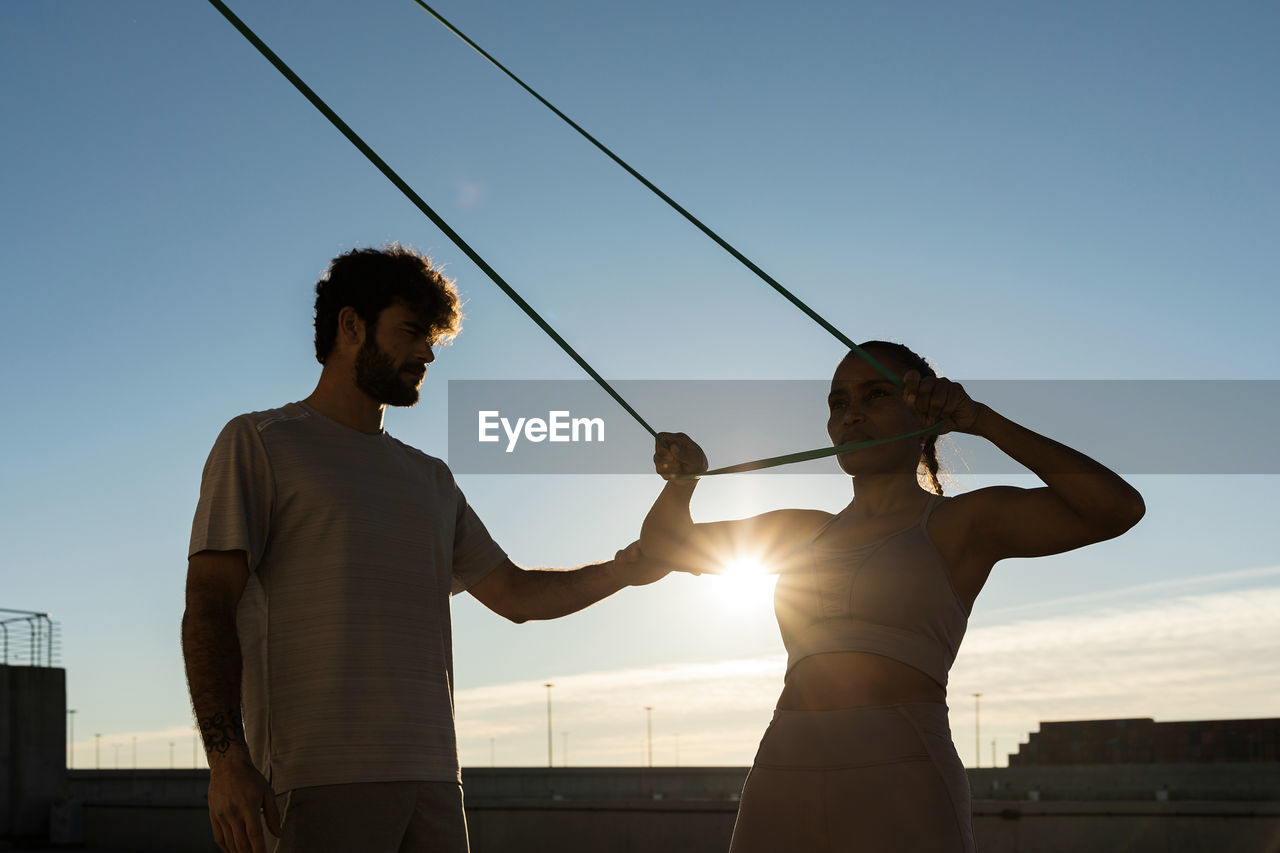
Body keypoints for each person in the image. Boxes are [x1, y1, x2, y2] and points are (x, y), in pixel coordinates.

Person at [182, 245, 668, 853]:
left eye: (432, 337)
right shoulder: (258, 442)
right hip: (312, 781)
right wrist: (227, 761)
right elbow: (207, 605)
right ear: (351, 325)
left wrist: (629, 568)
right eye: (412, 331)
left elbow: (516, 595)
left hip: (435, 783)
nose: (428, 353)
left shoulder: (430, 478)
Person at [640, 341, 1145, 852]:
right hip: (782, 766)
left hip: (904, 766)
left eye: (875, 394)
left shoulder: (959, 523)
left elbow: (1116, 508)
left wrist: (981, 420)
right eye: (838, 403)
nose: (851, 413)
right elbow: (664, 547)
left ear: (923, 409)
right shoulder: (800, 531)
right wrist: (683, 483)